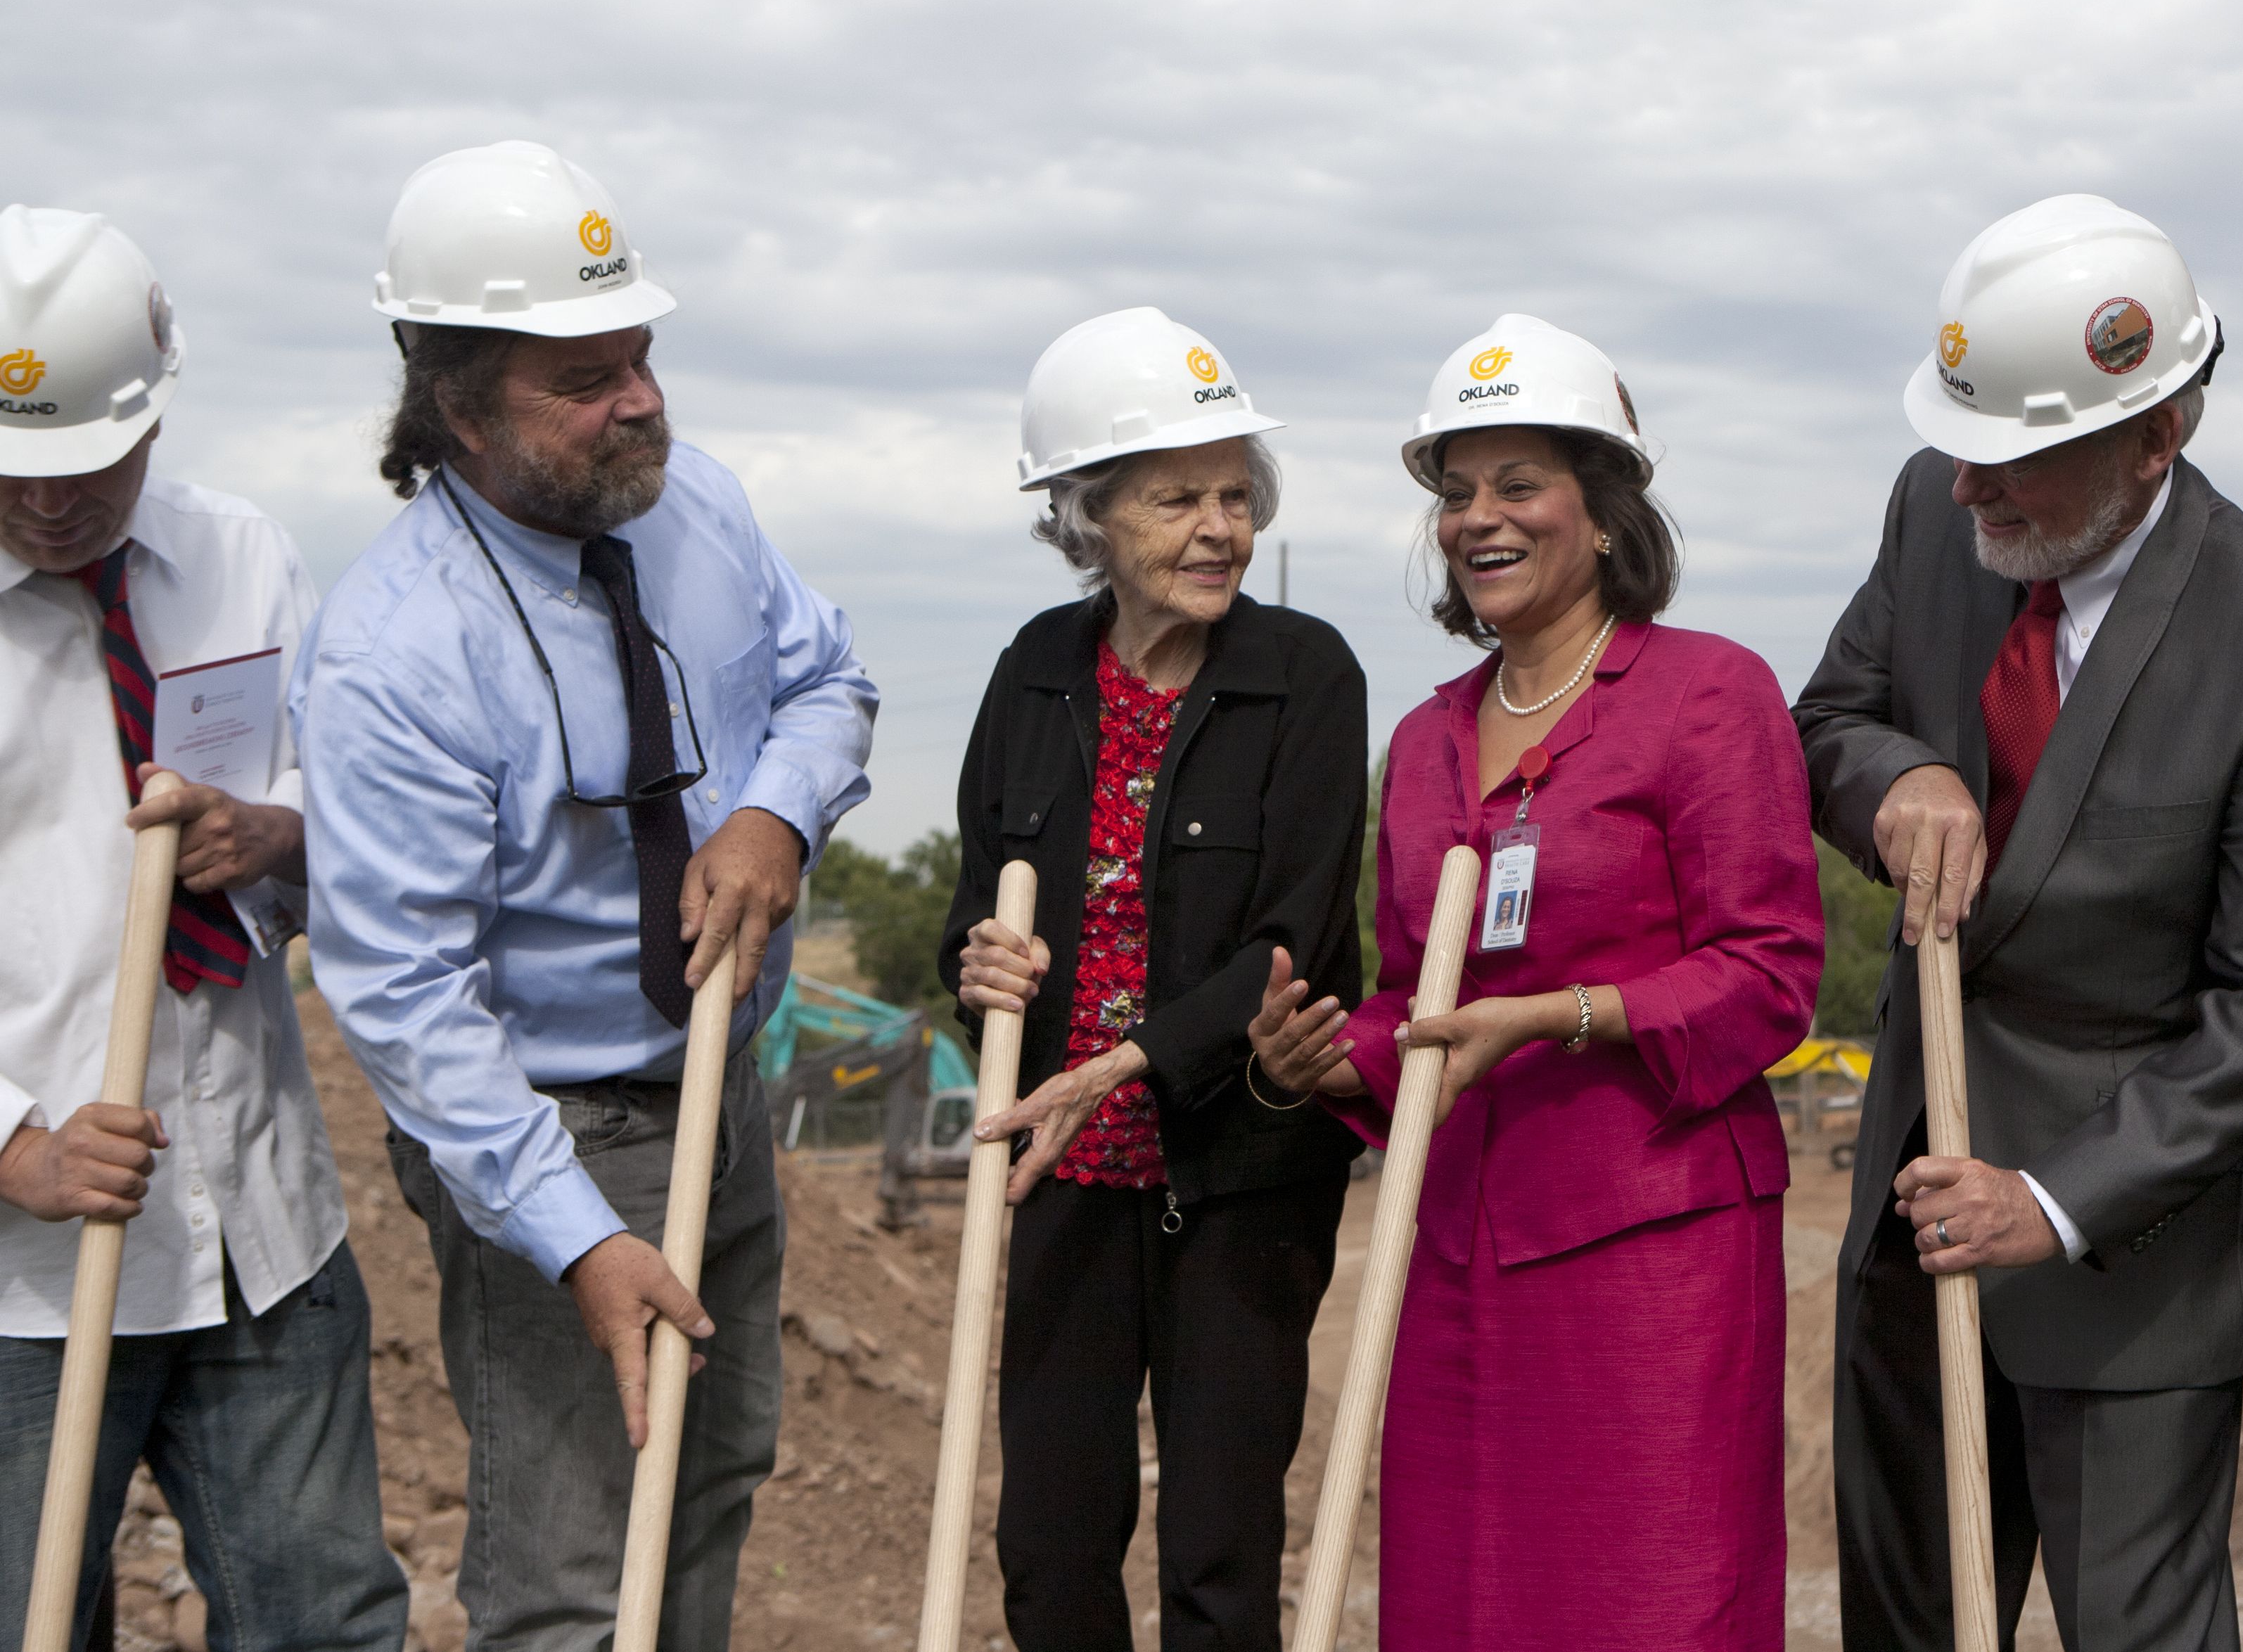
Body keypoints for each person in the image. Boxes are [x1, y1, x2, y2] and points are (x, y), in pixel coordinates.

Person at [295, 143, 876, 1648]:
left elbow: (826, 682)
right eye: (583, 377)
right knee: (568, 1570)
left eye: (641, 358)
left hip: (721, 1098)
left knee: (709, 1481)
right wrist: (574, 1237)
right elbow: (408, 1000)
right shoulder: (393, 653)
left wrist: (769, 812)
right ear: (459, 405)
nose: (638, 402)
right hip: (551, 1139)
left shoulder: (702, 512)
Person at [1796, 196, 2243, 1652]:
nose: (1968, 495)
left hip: (2127, 1264)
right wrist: (1898, 778)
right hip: (1906, 1227)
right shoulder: (1935, 517)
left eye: (2014, 462)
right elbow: (1829, 721)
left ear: (2154, 435)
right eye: (1958, 446)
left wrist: (2050, 1200)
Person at [1250, 314, 1822, 1651]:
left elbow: (1770, 972)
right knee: (1463, 1602)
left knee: (1653, 1600)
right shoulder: (1430, 734)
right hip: (1454, 1256)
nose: (1477, 518)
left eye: (1518, 484)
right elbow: (1416, 998)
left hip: (1652, 1252)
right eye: (1456, 493)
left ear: (1607, 511)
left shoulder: (1707, 695)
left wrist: (1564, 1017)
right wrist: (1329, 1058)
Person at [0, 207, 407, 1646]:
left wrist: (278, 836)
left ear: (157, 406)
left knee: (324, 1622)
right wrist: (17, 1146)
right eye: (16, 472)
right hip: (25, 1289)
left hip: (261, 1234)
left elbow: (343, 805)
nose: (50, 507)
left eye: (86, 467)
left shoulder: (241, 558)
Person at [943, 306, 1368, 1652]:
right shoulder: (1033, 673)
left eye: (1237, 495)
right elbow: (977, 911)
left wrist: (1124, 1064)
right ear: (1087, 515)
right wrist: (982, 966)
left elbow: (1292, 942)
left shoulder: (1305, 675)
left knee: (1218, 1562)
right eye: (1176, 495)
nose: (1220, 528)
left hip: (1237, 1178)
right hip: (1062, 1179)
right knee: (1051, 1559)